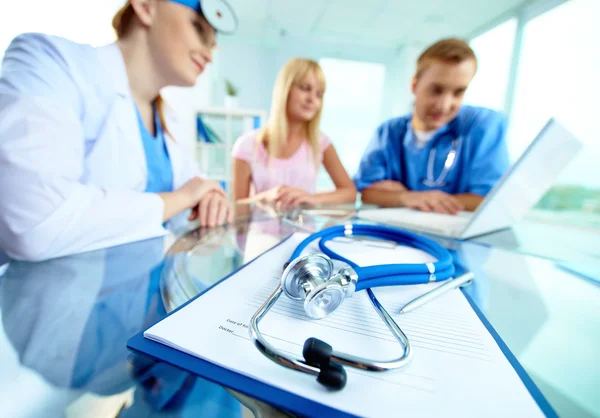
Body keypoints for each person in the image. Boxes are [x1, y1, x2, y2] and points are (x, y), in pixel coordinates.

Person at [0, 0, 237, 261]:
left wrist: (210, 199)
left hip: (152, 296)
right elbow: (34, 224)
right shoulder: (49, 63)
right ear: (146, 6)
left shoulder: (169, 119)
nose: (209, 54)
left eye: (213, 43)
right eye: (198, 28)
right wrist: (179, 199)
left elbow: (198, 192)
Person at [354, 38, 509, 214]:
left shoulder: (484, 126)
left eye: (458, 92)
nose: (444, 105)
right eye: (436, 90)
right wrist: (409, 198)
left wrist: (404, 197)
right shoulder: (388, 132)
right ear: (414, 85)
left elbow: (491, 199)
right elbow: (367, 193)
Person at [231, 58, 357, 210]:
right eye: (305, 88)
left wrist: (312, 198)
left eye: (319, 94)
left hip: (307, 232)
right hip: (261, 233)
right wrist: (263, 197)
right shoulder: (247, 145)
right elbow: (237, 206)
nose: (312, 99)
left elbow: (350, 193)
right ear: (285, 89)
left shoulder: (321, 143)